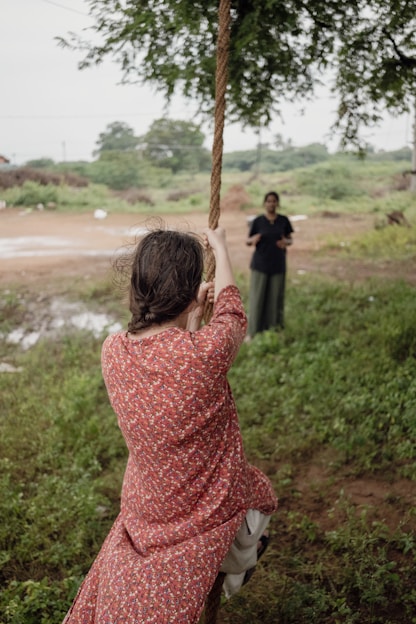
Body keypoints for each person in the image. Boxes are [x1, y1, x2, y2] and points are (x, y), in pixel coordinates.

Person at [62, 225, 278, 624]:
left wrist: (190, 314)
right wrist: (222, 248)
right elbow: (232, 312)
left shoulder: (112, 350)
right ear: (186, 290)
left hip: (148, 504)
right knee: (261, 497)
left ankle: (230, 562)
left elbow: (177, 368)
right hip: (204, 505)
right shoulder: (203, 353)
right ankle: (237, 563)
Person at [246, 191, 294, 338]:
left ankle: (274, 330)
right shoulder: (258, 221)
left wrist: (286, 242)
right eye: (268, 201)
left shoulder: (283, 220)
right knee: (257, 298)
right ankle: (253, 332)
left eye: (274, 201)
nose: (271, 204)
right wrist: (254, 239)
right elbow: (248, 241)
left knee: (275, 298)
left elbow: (290, 239)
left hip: (278, 264)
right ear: (264, 203)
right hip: (260, 264)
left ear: (277, 203)